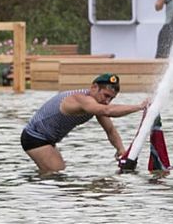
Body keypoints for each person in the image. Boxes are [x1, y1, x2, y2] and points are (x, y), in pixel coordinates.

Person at [20, 73, 148, 174]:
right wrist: (139, 107)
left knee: (54, 174)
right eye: (106, 95)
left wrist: (120, 150)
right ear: (94, 87)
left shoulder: (97, 104)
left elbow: (110, 130)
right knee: (56, 175)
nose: (107, 101)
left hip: (47, 140)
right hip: (35, 137)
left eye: (111, 98)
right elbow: (107, 111)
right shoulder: (81, 100)